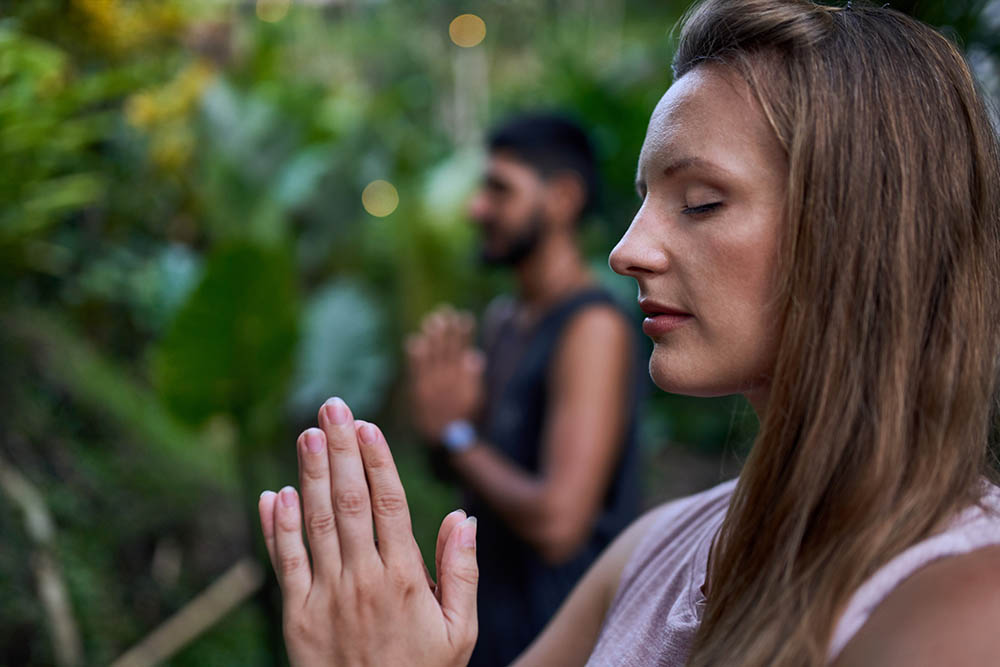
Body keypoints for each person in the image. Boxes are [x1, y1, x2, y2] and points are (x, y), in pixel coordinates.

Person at [256, 0, 1000, 665]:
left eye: (701, 201)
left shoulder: (961, 603)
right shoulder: (655, 549)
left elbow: (558, 516)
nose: (627, 250)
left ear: (861, 225)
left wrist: (459, 437)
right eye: (647, 198)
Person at [404, 113, 643, 666]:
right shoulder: (504, 320)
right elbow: (476, 472)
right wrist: (443, 426)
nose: (476, 209)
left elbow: (560, 523)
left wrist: (458, 435)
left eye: (499, 189)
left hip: (563, 640)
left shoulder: (592, 328)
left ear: (562, 198)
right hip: (492, 634)